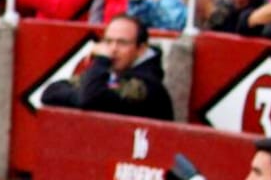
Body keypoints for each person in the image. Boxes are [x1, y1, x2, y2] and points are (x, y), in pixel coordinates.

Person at [39, 14, 174, 118]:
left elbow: (91, 98)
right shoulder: (106, 75)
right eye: (108, 41)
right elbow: (50, 92)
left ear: (141, 49)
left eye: (122, 43)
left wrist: (101, 60)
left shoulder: (148, 85)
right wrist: (81, 96)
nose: (112, 49)